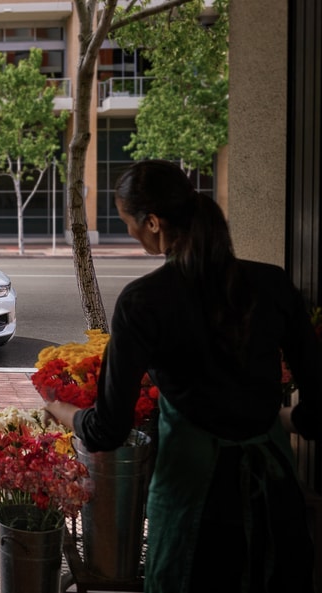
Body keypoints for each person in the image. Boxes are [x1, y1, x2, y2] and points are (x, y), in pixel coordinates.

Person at [44, 160, 319, 592]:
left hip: (195, 501)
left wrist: (61, 410)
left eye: (128, 222)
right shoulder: (272, 283)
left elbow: (108, 430)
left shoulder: (143, 302)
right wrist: (279, 422)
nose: (129, 232)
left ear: (153, 223)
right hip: (275, 497)